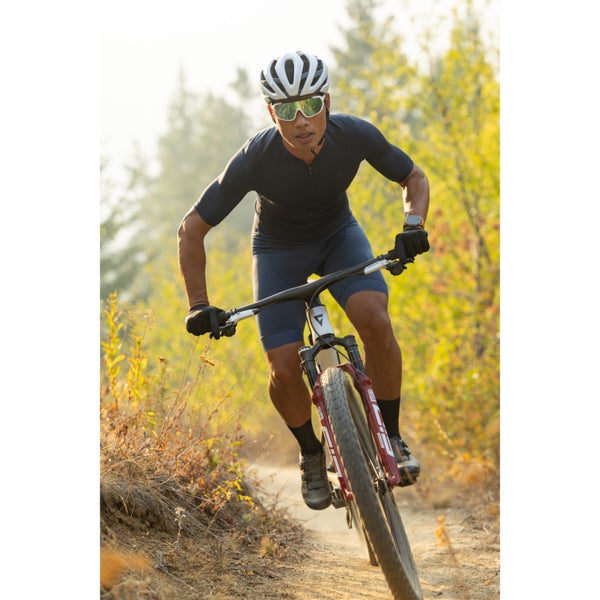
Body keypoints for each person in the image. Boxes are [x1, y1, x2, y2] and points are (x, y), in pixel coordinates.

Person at [177, 50, 430, 511]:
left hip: (339, 237)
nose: (301, 121)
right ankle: (312, 454)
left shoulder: (354, 135)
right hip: (278, 251)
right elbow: (191, 229)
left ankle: (391, 436)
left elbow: (412, 176)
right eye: (287, 110)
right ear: (271, 113)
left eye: (311, 105)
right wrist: (198, 304)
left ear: (326, 102)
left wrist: (413, 225)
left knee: (376, 321)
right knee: (282, 367)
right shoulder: (255, 157)